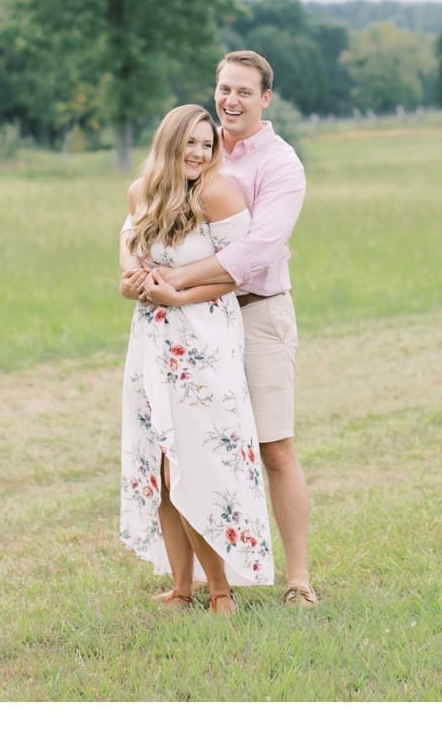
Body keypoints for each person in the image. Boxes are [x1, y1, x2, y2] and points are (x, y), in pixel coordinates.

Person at [122, 51, 317, 607]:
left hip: (257, 311)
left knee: (273, 447)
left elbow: (258, 251)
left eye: (243, 92)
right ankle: (201, 582)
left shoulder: (279, 165)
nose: (230, 100)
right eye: (224, 88)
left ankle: (298, 580)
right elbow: (141, 222)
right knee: (185, 446)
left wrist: (176, 281)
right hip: (187, 323)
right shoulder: (197, 144)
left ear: (265, 99)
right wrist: (141, 277)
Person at [117, 104, 274, 616]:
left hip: (204, 341)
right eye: (192, 143)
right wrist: (131, 280)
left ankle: (221, 589)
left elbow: (241, 271)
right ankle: (182, 588)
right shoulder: (143, 192)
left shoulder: (217, 192)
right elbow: (130, 251)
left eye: (208, 145)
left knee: (199, 458)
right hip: (152, 342)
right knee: (161, 461)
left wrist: (180, 296)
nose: (200, 153)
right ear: (170, 143)